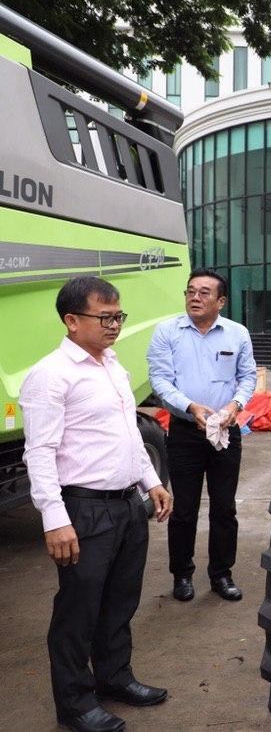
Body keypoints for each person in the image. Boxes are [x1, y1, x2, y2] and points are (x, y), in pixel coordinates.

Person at [20, 276, 173, 732]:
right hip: (84, 510)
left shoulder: (111, 364)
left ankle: (115, 678)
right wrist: (54, 518)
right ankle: (74, 704)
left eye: (117, 316)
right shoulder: (51, 375)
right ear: (71, 321)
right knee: (78, 611)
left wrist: (150, 481)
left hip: (127, 505)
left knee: (120, 602)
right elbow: (40, 453)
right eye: (104, 317)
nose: (114, 326)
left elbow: (127, 432)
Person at [147, 268, 257, 603]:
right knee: (185, 510)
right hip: (184, 432)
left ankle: (222, 575)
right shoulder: (168, 332)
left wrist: (235, 406)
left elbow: (247, 376)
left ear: (221, 301)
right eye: (190, 291)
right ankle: (182, 575)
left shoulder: (237, 334)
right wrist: (191, 407)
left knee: (224, 508)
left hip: (226, 431)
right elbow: (160, 381)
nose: (195, 297)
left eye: (204, 292)